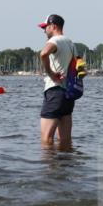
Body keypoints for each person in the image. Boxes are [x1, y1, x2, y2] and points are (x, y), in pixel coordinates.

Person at [38, 14, 75, 149]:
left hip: (54, 91)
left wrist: (51, 73)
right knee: (64, 140)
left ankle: (48, 163)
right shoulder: (71, 43)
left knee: (46, 140)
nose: (44, 31)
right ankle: (65, 162)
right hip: (68, 94)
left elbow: (43, 53)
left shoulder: (55, 40)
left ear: (53, 26)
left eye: (45, 27)